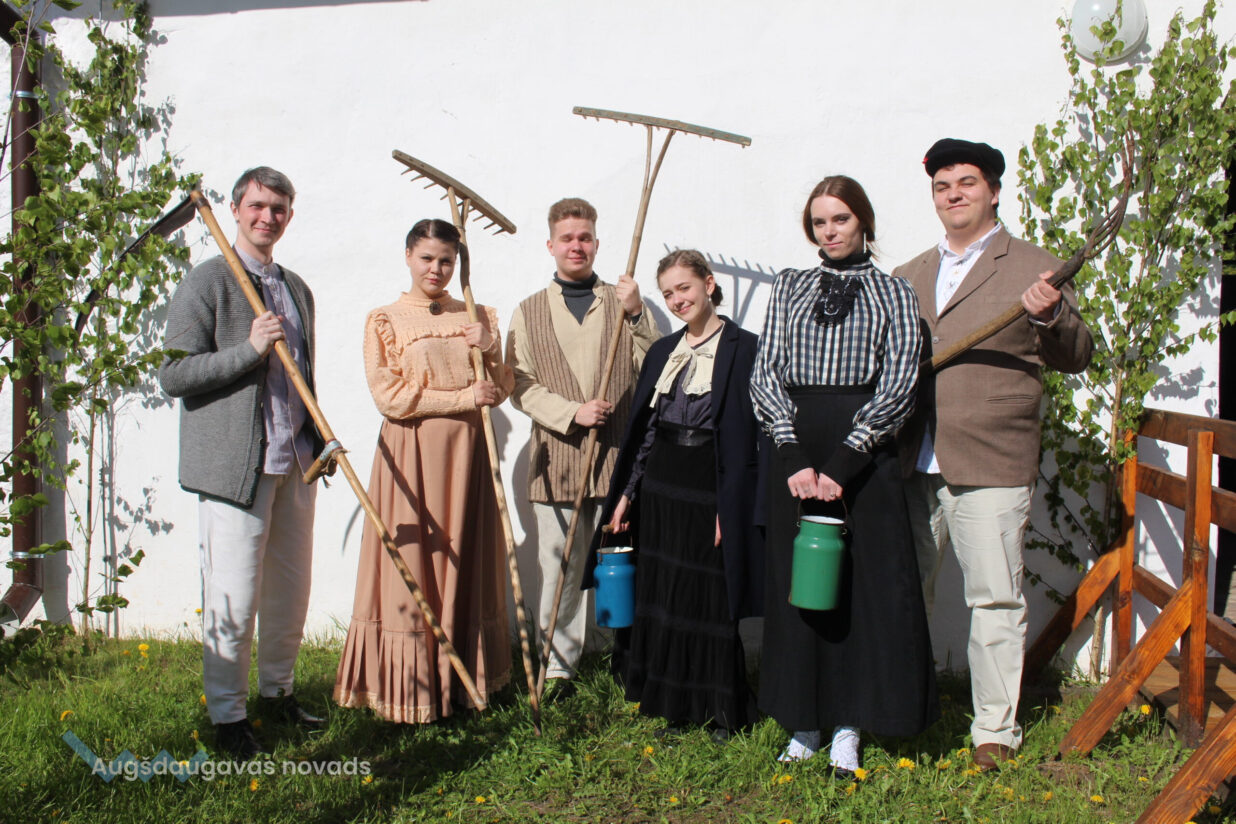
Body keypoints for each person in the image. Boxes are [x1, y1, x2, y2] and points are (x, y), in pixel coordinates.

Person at [895, 138, 1094, 771]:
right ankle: (901, 709)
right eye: (942, 185)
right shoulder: (908, 274)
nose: (953, 194)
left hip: (990, 458)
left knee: (995, 602)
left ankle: (994, 732)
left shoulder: (1035, 268)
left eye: (967, 183)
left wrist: (1051, 316)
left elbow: (1077, 354)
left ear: (994, 191)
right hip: (911, 461)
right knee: (904, 595)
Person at [750, 175, 938, 774]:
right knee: (800, 586)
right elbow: (766, 373)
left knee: (861, 589)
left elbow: (900, 382)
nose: (829, 232)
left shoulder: (894, 292)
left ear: (864, 222)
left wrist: (845, 461)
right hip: (795, 451)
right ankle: (804, 721)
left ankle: (850, 725)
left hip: (864, 455)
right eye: (819, 222)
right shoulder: (789, 286)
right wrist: (792, 456)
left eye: (840, 219)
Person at [160, 166, 323, 759]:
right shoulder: (208, 281)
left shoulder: (296, 288)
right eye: (257, 205)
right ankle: (228, 717)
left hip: (295, 462)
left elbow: (301, 380)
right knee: (233, 593)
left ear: (289, 216)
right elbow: (174, 374)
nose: (267, 217)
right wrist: (248, 350)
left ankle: (278, 693)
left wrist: (319, 439)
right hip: (237, 469)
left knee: (289, 591)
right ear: (234, 209)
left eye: (278, 208)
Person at [333, 218, 512, 723]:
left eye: (447, 260)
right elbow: (389, 396)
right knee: (416, 559)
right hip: (411, 453)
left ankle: (464, 682)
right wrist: (461, 397)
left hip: (469, 455)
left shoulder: (479, 314)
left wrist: (489, 347)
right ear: (408, 256)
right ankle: (411, 690)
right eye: (427, 258)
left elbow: (500, 388)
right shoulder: (385, 319)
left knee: (465, 555)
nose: (437, 269)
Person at [585, 249, 762, 740]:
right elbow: (646, 430)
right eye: (668, 293)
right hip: (662, 484)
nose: (678, 299)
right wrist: (626, 495)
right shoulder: (664, 351)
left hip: (710, 484)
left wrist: (733, 505)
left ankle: (721, 710)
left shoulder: (746, 348)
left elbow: (752, 437)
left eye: (684, 288)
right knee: (663, 596)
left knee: (709, 597)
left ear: (709, 284)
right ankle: (673, 705)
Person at [506, 198, 659, 694]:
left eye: (585, 237)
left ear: (596, 243)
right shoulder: (528, 311)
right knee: (561, 565)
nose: (577, 245)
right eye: (567, 238)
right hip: (558, 458)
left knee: (621, 558)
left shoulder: (622, 301)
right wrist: (572, 413)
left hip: (618, 456)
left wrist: (637, 313)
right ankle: (558, 668)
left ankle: (623, 654)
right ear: (550, 245)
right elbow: (519, 385)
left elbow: (657, 365)